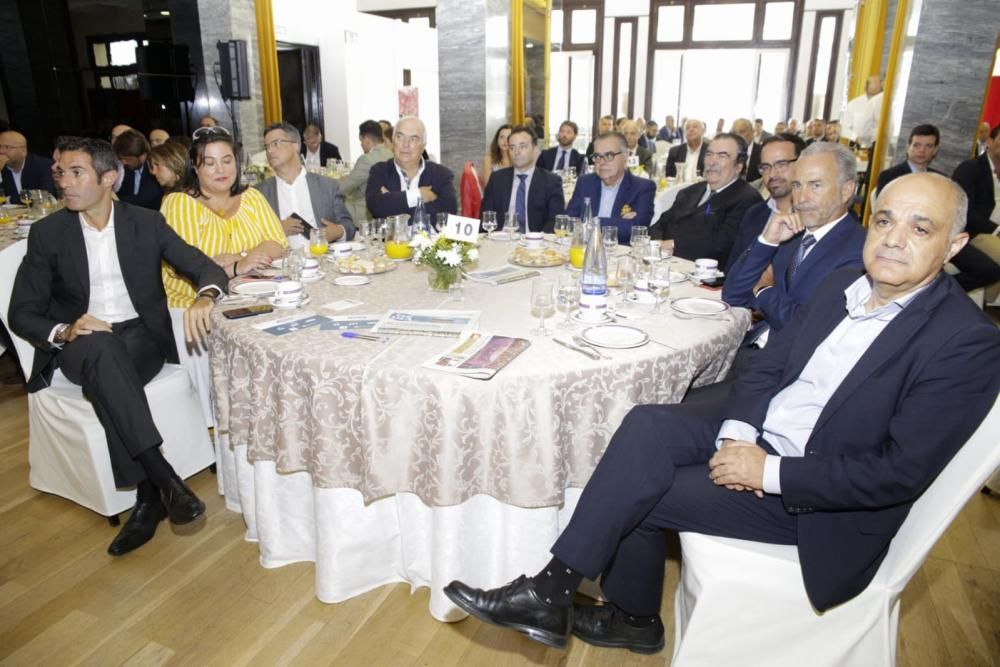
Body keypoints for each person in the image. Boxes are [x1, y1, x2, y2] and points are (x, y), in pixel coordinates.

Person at [443, 172, 1000, 654]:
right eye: (883, 221)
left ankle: (604, 610)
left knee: (640, 487)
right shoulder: (843, 286)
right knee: (644, 425)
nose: (894, 240)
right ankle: (564, 595)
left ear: (955, 245)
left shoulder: (964, 340)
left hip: (819, 499)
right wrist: (738, 433)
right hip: (762, 434)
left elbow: (898, 472)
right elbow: (766, 366)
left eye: (920, 228)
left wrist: (768, 471)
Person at [9, 137, 232, 557]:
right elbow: (21, 312)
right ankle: (165, 479)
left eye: (77, 173)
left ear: (109, 177)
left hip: (141, 337)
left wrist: (206, 295)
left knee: (109, 372)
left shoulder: (144, 223)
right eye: (62, 173)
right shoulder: (48, 233)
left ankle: (150, 494)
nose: (65, 183)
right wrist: (67, 328)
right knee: (101, 352)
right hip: (81, 343)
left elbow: (202, 265)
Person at [691, 142, 867, 402]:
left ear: (846, 190)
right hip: (748, 354)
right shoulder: (790, 233)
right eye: (797, 185)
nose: (802, 198)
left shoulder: (858, 251)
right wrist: (767, 241)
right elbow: (734, 293)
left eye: (815, 185)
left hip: (786, 379)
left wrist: (764, 290)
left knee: (651, 418)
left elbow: (807, 328)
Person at [160, 126, 287, 428]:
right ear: (195, 166)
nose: (221, 170)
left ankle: (265, 420)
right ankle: (222, 427)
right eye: (210, 162)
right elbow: (189, 265)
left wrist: (233, 260)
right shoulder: (178, 204)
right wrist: (240, 263)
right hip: (195, 305)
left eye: (227, 160)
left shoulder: (252, 198)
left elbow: (278, 245)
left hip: (255, 297)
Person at [653, 133, 762, 267]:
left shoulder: (747, 199)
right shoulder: (689, 192)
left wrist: (673, 244)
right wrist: (656, 244)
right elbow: (659, 225)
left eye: (722, 156)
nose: (712, 162)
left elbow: (720, 245)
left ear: (739, 166)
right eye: (709, 154)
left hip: (705, 276)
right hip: (664, 265)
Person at [258, 121, 354, 249]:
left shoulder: (327, 186)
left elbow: (349, 226)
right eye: (266, 146)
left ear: (296, 146)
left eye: (276, 143)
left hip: (323, 262)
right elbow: (247, 237)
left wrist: (338, 231)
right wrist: (275, 230)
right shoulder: (259, 193)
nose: (269, 150)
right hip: (281, 264)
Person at [725, 133, 806, 273]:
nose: (773, 174)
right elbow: (733, 270)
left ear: (803, 163)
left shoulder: (813, 218)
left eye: (781, 164)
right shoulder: (754, 214)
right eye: (766, 167)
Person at [565, 131, 655, 244]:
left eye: (609, 156)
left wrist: (588, 223)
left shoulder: (643, 188)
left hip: (622, 257)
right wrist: (619, 222)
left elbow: (637, 230)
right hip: (584, 251)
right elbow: (569, 222)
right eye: (597, 156)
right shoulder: (585, 182)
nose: (601, 162)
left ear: (625, 156)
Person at [365, 115, 457, 220]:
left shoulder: (441, 174)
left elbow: (448, 214)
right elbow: (376, 207)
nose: (406, 144)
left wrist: (393, 202)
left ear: (423, 146)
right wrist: (416, 195)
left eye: (413, 139)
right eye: (400, 137)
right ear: (393, 142)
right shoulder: (380, 171)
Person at [481, 125, 565, 233]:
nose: (517, 152)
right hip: (501, 241)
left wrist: (535, 241)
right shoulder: (497, 179)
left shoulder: (551, 182)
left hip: (535, 244)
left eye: (523, 146)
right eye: (512, 147)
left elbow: (554, 221)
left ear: (535, 149)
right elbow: (486, 217)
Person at [952, 123, 1000, 304]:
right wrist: (997, 230)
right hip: (975, 233)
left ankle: (989, 301)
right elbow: (964, 212)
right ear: (989, 142)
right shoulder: (971, 169)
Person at [339, 119, 393, 225]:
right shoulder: (392, 154)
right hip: (389, 208)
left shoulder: (366, 159)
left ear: (366, 139)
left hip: (366, 211)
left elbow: (343, 188)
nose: (361, 145)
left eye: (361, 141)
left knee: (332, 202)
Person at [875, 124, 943, 195]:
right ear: (908, 147)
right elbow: (883, 205)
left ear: (935, 150)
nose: (922, 150)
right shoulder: (889, 176)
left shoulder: (940, 179)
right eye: (916, 145)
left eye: (928, 146)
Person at [113, 129, 163, 210]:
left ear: (142, 155)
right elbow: (121, 194)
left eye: (127, 159)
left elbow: (141, 201)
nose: (123, 163)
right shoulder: (126, 169)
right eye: (121, 159)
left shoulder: (155, 169)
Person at [0, 130, 55, 200]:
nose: (1, 151)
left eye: (7, 147)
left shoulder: (43, 165)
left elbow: (44, 194)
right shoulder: (2, 167)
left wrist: (7, 200)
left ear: (23, 151)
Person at [842, 75, 883, 146]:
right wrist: (856, 138)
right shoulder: (853, 104)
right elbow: (844, 128)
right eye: (873, 92)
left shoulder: (885, 105)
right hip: (857, 144)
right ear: (866, 88)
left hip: (878, 145)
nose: (875, 98)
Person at [731, 118, 763, 182]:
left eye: (741, 132)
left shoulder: (762, 152)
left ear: (752, 132)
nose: (737, 136)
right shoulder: (728, 152)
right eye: (734, 133)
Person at [480, 124, 512, 188]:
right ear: (497, 140)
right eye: (502, 137)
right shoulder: (489, 159)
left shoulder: (518, 160)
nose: (505, 141)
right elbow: (488, 186)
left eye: (508, 137)